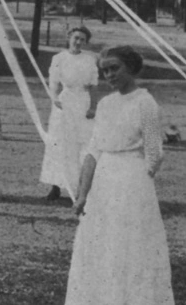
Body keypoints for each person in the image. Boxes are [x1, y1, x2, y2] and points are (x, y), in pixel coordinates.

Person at [65, 45, 174, 305]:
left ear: (131, 68)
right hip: (103, 183)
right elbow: (93, 151)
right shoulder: (104, 104)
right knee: (101, 243)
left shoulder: (145, 103)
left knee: (130, 244)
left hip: (132, 181)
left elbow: (154, 152)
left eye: (115, 68)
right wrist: (82, 195)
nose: (110, 75)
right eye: (105, 71)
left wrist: (138, 180)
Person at [40, 26, 98, 201]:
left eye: (82, 39)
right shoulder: (59, 58)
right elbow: (53, 82)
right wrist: (55, 98)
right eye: (76, 38)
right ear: (69, 38)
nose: (78, 42)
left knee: (82, 143)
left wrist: (92, 107)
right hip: (64, 102)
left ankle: (82, 187)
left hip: (83, 102)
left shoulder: (89, 59)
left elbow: (94, 84)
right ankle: (55, 186)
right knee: (60, 142)